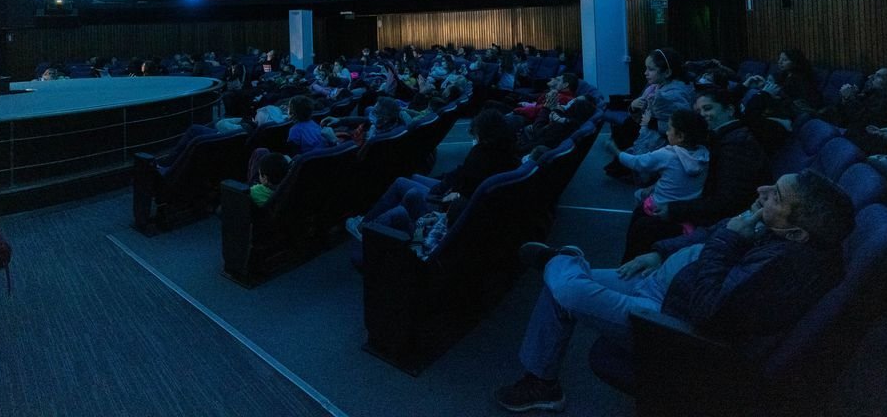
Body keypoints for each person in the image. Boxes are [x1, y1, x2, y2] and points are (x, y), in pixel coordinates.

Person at [494, 170, 855, 413]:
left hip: (664, 316)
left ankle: (562, 260)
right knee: (558, 285)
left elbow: (708, 309)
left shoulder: (780, 266)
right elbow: (714, 233)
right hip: (665, 279)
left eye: (775, 195)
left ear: (797, 233)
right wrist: (660, 251)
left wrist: (729, 239)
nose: (761, 193)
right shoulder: (777, 230)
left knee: (567, 290)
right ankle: (541, 381)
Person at [622, 87, 770, 260]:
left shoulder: (738, 146)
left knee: (645, 226)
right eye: (699, 111)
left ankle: (631, 272)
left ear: (729, 110)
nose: (703, 115)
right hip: (707, 207)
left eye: (708, 108)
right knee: (642, 213)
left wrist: (674, 209)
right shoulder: (721, 137)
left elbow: (728, 202)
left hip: (726, 220)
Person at [346, 108, 518, 240]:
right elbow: (462, 176)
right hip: (453, 192)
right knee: (412, 177)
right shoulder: (506, 154)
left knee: (400, 182)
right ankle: (387, 222)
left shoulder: (481, 156)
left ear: (483, 134)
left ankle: (364, 226)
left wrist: (441, 188)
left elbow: (461, 187)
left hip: (445, 201)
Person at [615, 108, 710, 213]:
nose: (667, 132)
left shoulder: (668, 154)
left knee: (638, 194)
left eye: (669, 129)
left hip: (660, 206)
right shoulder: (704, 155)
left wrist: (615, 150)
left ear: (680, 136)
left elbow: (637, 163)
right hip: (688, 209)